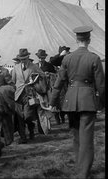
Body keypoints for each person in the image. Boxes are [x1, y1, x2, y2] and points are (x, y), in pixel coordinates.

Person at [49, 26, 105, 179]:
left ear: (76, 39)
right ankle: (83, 173)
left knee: (76, 138)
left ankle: (80, 169)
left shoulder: (67, 58)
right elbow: (101, 85)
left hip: (71, 100)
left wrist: (52, 101)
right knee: (86, 139)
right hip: (87, 100)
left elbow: (59, 83)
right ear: (89, 40)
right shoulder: (94, 58)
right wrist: (102, 104)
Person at [11, 48, 45, 144]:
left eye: (24, 59)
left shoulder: (33, 66)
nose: (23, 61)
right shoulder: (16, 68)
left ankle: (31, 130)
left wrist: (35, 79)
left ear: (28, 57)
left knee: (27, 116)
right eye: (21, 59)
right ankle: (23, 137)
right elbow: (12, 81)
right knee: (19, 117)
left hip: (29, 94)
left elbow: (43, 75)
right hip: (17, 95)